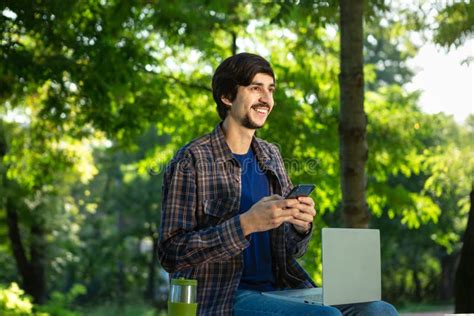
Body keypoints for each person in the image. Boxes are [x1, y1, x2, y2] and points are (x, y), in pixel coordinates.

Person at [158, 53, 398, 316]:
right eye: (255, 88)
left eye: (270, 90)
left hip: (283, 289)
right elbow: (171, 253)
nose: (266, 99)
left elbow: (293, 249)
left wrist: (300, 225)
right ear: (227, 97)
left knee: (379, 310)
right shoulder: (192, 159)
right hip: (222, 297)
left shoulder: (270, 156)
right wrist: (246, 224)